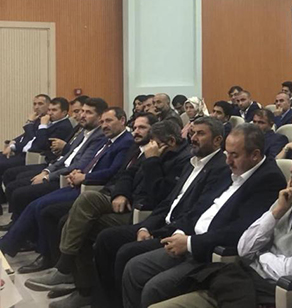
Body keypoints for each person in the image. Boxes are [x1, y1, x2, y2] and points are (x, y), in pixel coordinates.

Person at [24, 117, 223, 305]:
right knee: (72, 218)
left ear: (170, 142)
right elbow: (127, 175)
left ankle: (90, 291)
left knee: (107, 240)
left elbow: (159, 196)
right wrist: (122, 194)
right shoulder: (180, 160)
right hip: (130, 203)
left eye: (200, 134)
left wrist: (152, 161)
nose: (193, 138)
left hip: (145, 212)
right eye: (193, 133)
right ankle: (82, 287)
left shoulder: (181, 160)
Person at [153, 139, 292, 308]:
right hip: (237, 282)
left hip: (270, 294)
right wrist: (277, 212)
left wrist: (260, 256)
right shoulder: (287, 199)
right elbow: (244, 248)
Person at [120, 125, 287, 308]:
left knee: (155, 288)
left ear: (255, 155)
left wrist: (190, 243)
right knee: (134, 268)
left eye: (234, 155)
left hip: (210, 254)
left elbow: (239, 230)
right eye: (227, 153)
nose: (228, 161)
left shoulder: (269, 179)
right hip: (189, 238)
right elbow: (201, 207)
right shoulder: (232, 170)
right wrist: (180, 231)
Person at [0, 102, 134, 258]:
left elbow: (113, 172)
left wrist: (84, 176)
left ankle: (37, 254)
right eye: (103, 122)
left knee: (43, 208)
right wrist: (79, 172)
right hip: (77, 180)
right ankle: (10, 245)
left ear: (122, 120)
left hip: (91, 188)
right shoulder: (107, 139)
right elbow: (85, 161)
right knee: (35, 203)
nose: (104, 125)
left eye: (108, 121)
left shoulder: (125, 142)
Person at [0, 94, 51, 180]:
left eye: (40, 104)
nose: (36, 107)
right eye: (34, 104)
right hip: (20, 151)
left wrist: (29, 122)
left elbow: (33, 139)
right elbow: (25, 135)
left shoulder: (46, 122)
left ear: (48, 105)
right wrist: (13, 142)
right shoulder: (38, 119)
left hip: (30, 156)